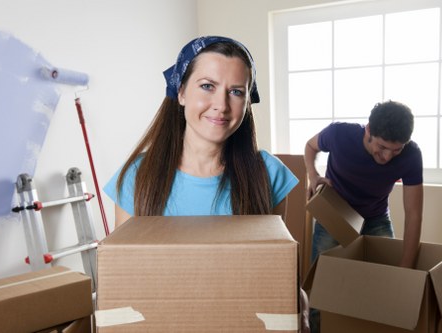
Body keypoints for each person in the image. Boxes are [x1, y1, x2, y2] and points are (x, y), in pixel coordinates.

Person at [104, 36, 310, 331]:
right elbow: (127, 275)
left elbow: (276, 268)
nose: (221, 105)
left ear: (247, 101)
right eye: (207, 86)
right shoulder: (138, 177)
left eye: (236, 92)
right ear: (182, 92)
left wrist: (297, 300)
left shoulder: (267, 174)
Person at [304, 100, 423, 332]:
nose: (387, 156)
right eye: (381, 147)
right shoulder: (339, 134)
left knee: (386, 284)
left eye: (395, 150)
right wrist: (312, 174)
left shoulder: (411, 155)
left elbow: (414, 214)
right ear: (368, 130)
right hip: (335, 215)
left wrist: (406, 269)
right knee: (321, 285)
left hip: (376, 218)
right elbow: (310, 146)